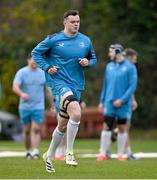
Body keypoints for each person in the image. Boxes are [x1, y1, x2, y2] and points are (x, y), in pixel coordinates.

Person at [31, 10, 97, 173]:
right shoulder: (54, 39)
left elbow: (94, 60)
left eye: (78, 22)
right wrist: (47, 67)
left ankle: (50, 154)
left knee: (62, 124)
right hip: (58, 83)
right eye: (73, 21)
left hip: (76, 85)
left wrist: (87, 62)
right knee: (76, 111)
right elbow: (35, 53)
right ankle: (69, 152)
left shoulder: (85, 41)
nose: (76, 24)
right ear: (65, 22)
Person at [97, 44, 137, 161]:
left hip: (123, 104)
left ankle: (120, 155)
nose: (109, 54)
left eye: (111, 52)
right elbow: (105, 85)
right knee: (106, 126)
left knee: (122, 128)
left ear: (117, 52)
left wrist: (122, 99)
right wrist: (101, 101)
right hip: (109, 102)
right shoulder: (109, 66)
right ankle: (103, 154)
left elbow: (132, 86)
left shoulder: (130, 67)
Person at [12, 54, 46, 159]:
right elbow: (15, 87)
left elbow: (47, 90)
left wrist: (53, 104)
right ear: (28, 60)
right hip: (25, 106)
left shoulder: (42, 73)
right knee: (27, 130)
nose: (34, 62)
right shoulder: (21, 72)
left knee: (36, 129)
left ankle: (35, 151)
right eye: (33, 60)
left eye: (37, 60)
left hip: (39, 105)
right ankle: (27, 151)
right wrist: (22, 94)